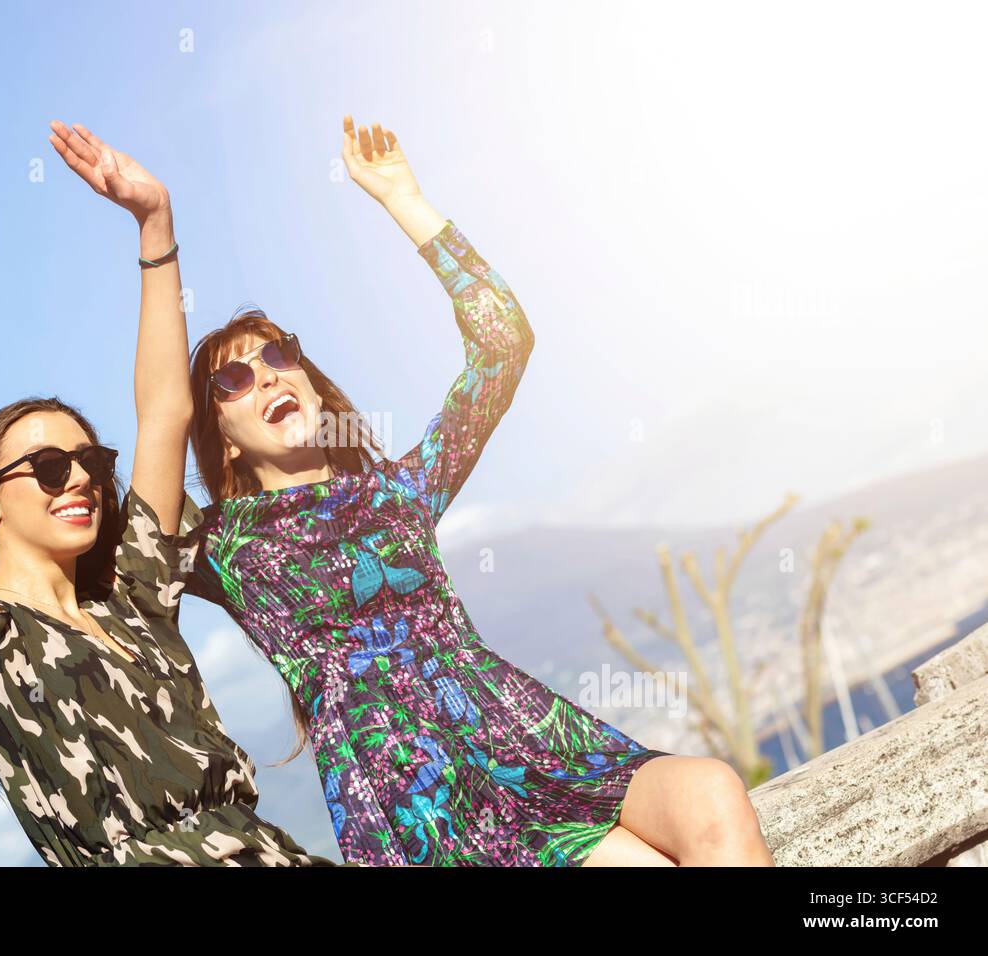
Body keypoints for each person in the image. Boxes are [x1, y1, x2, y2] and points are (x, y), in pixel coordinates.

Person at [175, 115, 776, 867]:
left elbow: (501, 345)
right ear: (221, 433)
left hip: (526, 746)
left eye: (279, 354)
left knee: (711, 793)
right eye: (233, 378)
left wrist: (405, 199)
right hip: (420, 813)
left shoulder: (399, 492)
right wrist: (154, 247)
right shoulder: (225, 546)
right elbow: (105, 528)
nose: (265, 374)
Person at [0, 122, 341, 866]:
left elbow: (165, 413)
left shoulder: (136, 599)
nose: (82, 479)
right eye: (51, 467)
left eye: (90, 460)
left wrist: (154, 219)